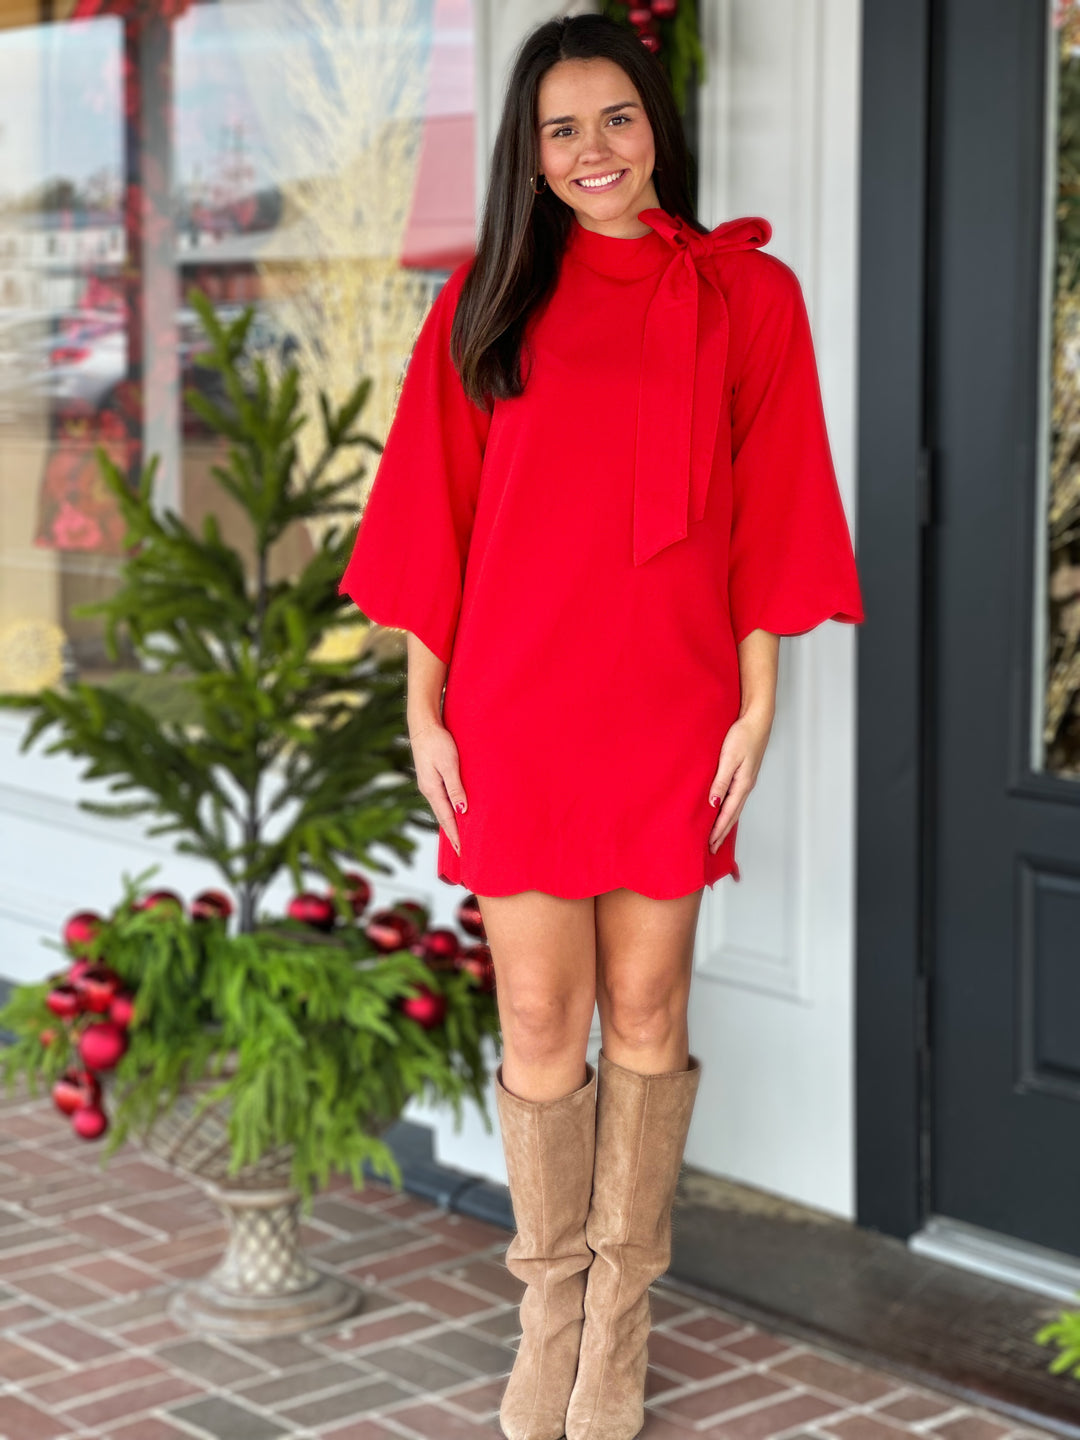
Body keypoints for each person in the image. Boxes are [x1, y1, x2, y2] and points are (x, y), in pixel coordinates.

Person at [338, 15, 865, 1440]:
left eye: (616, 119)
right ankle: (548, 1313)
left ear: (658, 126)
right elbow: (431, 513)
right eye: (561, 128)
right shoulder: (486, 297)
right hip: (515, 705)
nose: (592, 153)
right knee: (537, 1014)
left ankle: (619, 1326)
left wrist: (759, 697)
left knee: (648, 1011)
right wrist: (421, 704)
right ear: (529, 149)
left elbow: (774, 505)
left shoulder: (746, 295)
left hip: (672, 704)